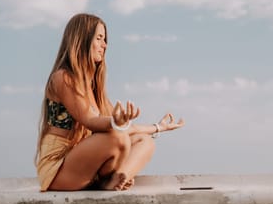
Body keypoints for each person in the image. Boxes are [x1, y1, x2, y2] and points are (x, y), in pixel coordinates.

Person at [35, 13, 185, 191]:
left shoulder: (93, 87)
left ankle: (118, 178)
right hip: (58, 170)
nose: (104, 45)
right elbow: (90, 119)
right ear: (82, 39)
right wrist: (116, 123)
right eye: (99, 38)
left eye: (104, 39)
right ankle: (110, 181)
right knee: (117, 137)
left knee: (145, 142)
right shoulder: (63, 78)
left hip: (85, 166)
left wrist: (159, 127)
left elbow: (125, 128)